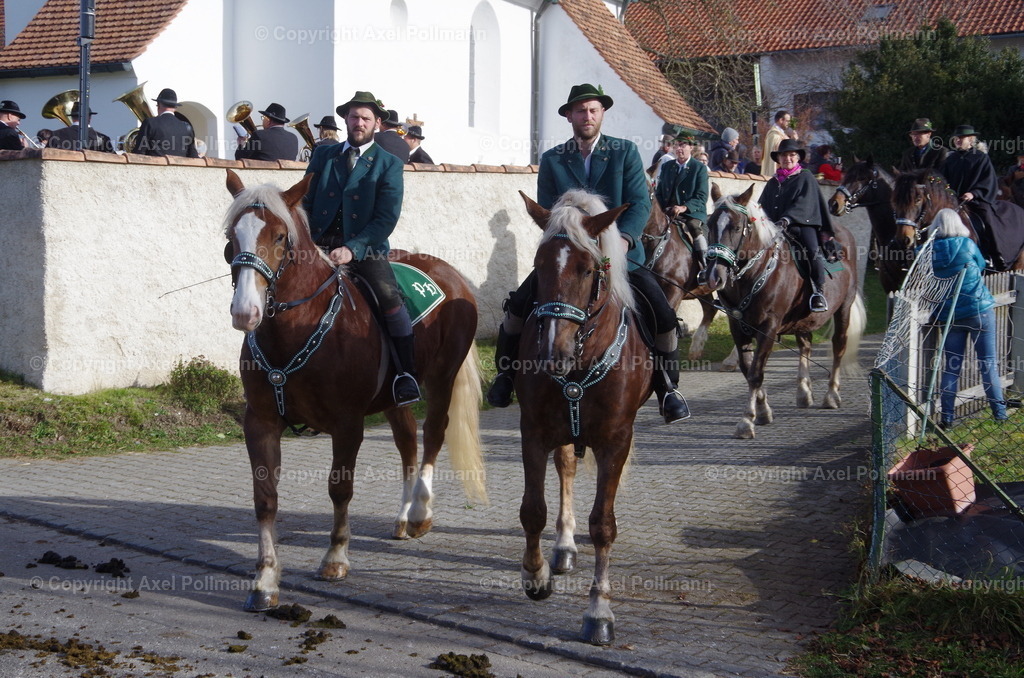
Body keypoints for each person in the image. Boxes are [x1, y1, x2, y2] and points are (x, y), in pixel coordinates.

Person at [486, 83, 689, 423]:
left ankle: (668, 388)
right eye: (581, 111)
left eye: (594, 110)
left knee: (662, 313)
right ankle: (505, 377)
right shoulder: (553, 159)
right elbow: (551, 212)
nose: (588, 116)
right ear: (569, 116)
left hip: (618, 255)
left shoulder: (625, 152)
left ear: (602, 113)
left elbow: (639, 202)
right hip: (570, 259)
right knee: (517, 309)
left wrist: (624, 238)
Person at [302, 91, 420, 405]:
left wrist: (352, 248)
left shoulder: (389, 164)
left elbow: (385, 218)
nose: (359, 123)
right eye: (354, 117)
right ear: (346, 120)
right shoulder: (324, 156)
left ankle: (405, 375)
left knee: (389, 297)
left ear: (377, 124)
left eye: (366, 118)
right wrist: (307, 242)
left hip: (366, 250)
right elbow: (305, 200)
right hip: (317, 246)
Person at [927, 208, 1008, 427]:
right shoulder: (968, 244)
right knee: (988, 365)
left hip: (950, 316)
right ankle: (999, 414)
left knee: (951, 367)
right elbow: (982, 265)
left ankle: (947, 419)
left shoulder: (927, 251)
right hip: (979, 311)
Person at [758, 138, 837, 313]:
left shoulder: (806, 176)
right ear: (778, 159)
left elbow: (804, 203)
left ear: (798, 157)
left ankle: (818, 291)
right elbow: (762, 205)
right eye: (784, 155)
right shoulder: (773, 182)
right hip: (775, 228)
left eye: (792, 155)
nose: (788, 158)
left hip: (802, 224)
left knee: (812, 251)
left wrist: (787, 219)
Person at [941, 124, 1002, 265]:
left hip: (976, 200)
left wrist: (974, 193)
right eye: (956, 138)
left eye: (962, 137)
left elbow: (988, 180)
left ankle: (993, 254)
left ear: (971, 139)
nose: (958, 140)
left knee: (987, 219)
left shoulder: (981, 158)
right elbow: (942, 179)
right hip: (953, 201)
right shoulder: (951, 159)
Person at [656, 131, 710, 282]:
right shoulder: (667, 166)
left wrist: (683, 207)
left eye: (683, 145)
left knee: (694, 228)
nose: (679, 149)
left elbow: (701, 197)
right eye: (676, 145)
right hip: (668, 211)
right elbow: (659, 193)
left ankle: (705, 266)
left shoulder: (699, 168)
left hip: (691, 213)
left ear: (691, 148)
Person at [134, 88, 199, 157]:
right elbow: (193, 155)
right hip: (179, 167)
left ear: (158, 105)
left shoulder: (149, 123)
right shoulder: (187, 127)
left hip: (155, 166)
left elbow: (139, 153)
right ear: (175, 107)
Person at [235, 102, 299, 162]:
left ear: (268, 120)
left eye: (263, 118)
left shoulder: (259, 135)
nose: (262, 121)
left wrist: (241, 144)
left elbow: (240, 159)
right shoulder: (294, 138)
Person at [46, 102, 114, 153]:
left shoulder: (55, 134)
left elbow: (46, 155)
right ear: (90, 118)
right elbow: (113, 160)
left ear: (72, 117)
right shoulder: (103, 138)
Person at [760, 110, 791, 176]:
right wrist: (791, 141)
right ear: (781, 120)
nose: (789, 123)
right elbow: (780, 147)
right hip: (775, 167)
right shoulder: (774, 135)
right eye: (787, 121)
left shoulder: (779, 134)